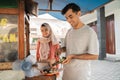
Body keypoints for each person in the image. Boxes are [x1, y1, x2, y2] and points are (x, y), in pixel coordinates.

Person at [60, 3, 99, 80]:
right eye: (66, 18)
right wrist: (60, 50)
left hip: (81, 75)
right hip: (66, 74)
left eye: (70, 17)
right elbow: (66, 48)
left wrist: (73, 56)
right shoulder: (69, 31)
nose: (68, 20)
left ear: (79, 14)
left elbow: (94, 56)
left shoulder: (89, 32)